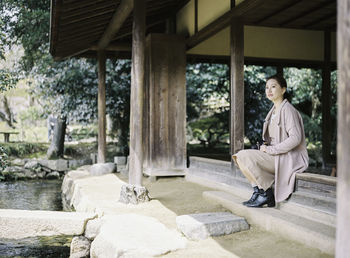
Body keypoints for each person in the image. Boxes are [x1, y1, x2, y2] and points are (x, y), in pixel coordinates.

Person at [232, 74, 309, 207]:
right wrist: (266, 146)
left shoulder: (288, 110)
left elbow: (296, 138)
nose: (269, 90)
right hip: (275, 156)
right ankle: (259, 192)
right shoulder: (273, 111)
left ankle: (265, 194)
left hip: (287, 158)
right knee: (238, 158)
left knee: (243, 155)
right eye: (267, 87)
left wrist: (270, 149)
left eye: (273, 87)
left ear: (283, 90)